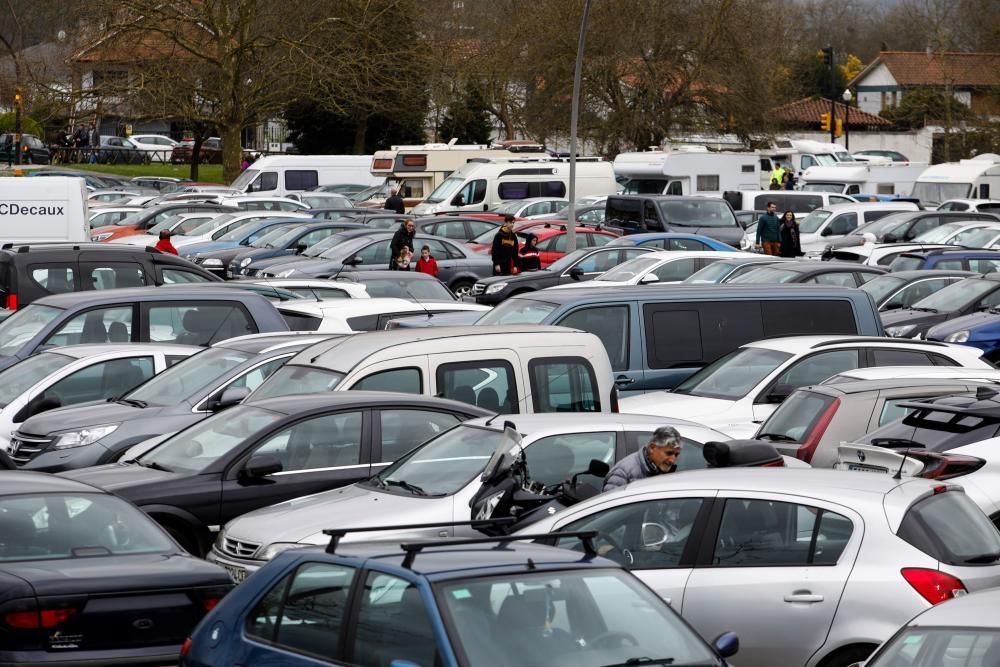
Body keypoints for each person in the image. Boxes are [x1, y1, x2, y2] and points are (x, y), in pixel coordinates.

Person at [603, 426, 683, 491]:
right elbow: (611, 507)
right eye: (668, 453)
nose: (672, 460)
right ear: (652, 448)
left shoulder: (664, 471)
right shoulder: (623, 472)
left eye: (676, 455)